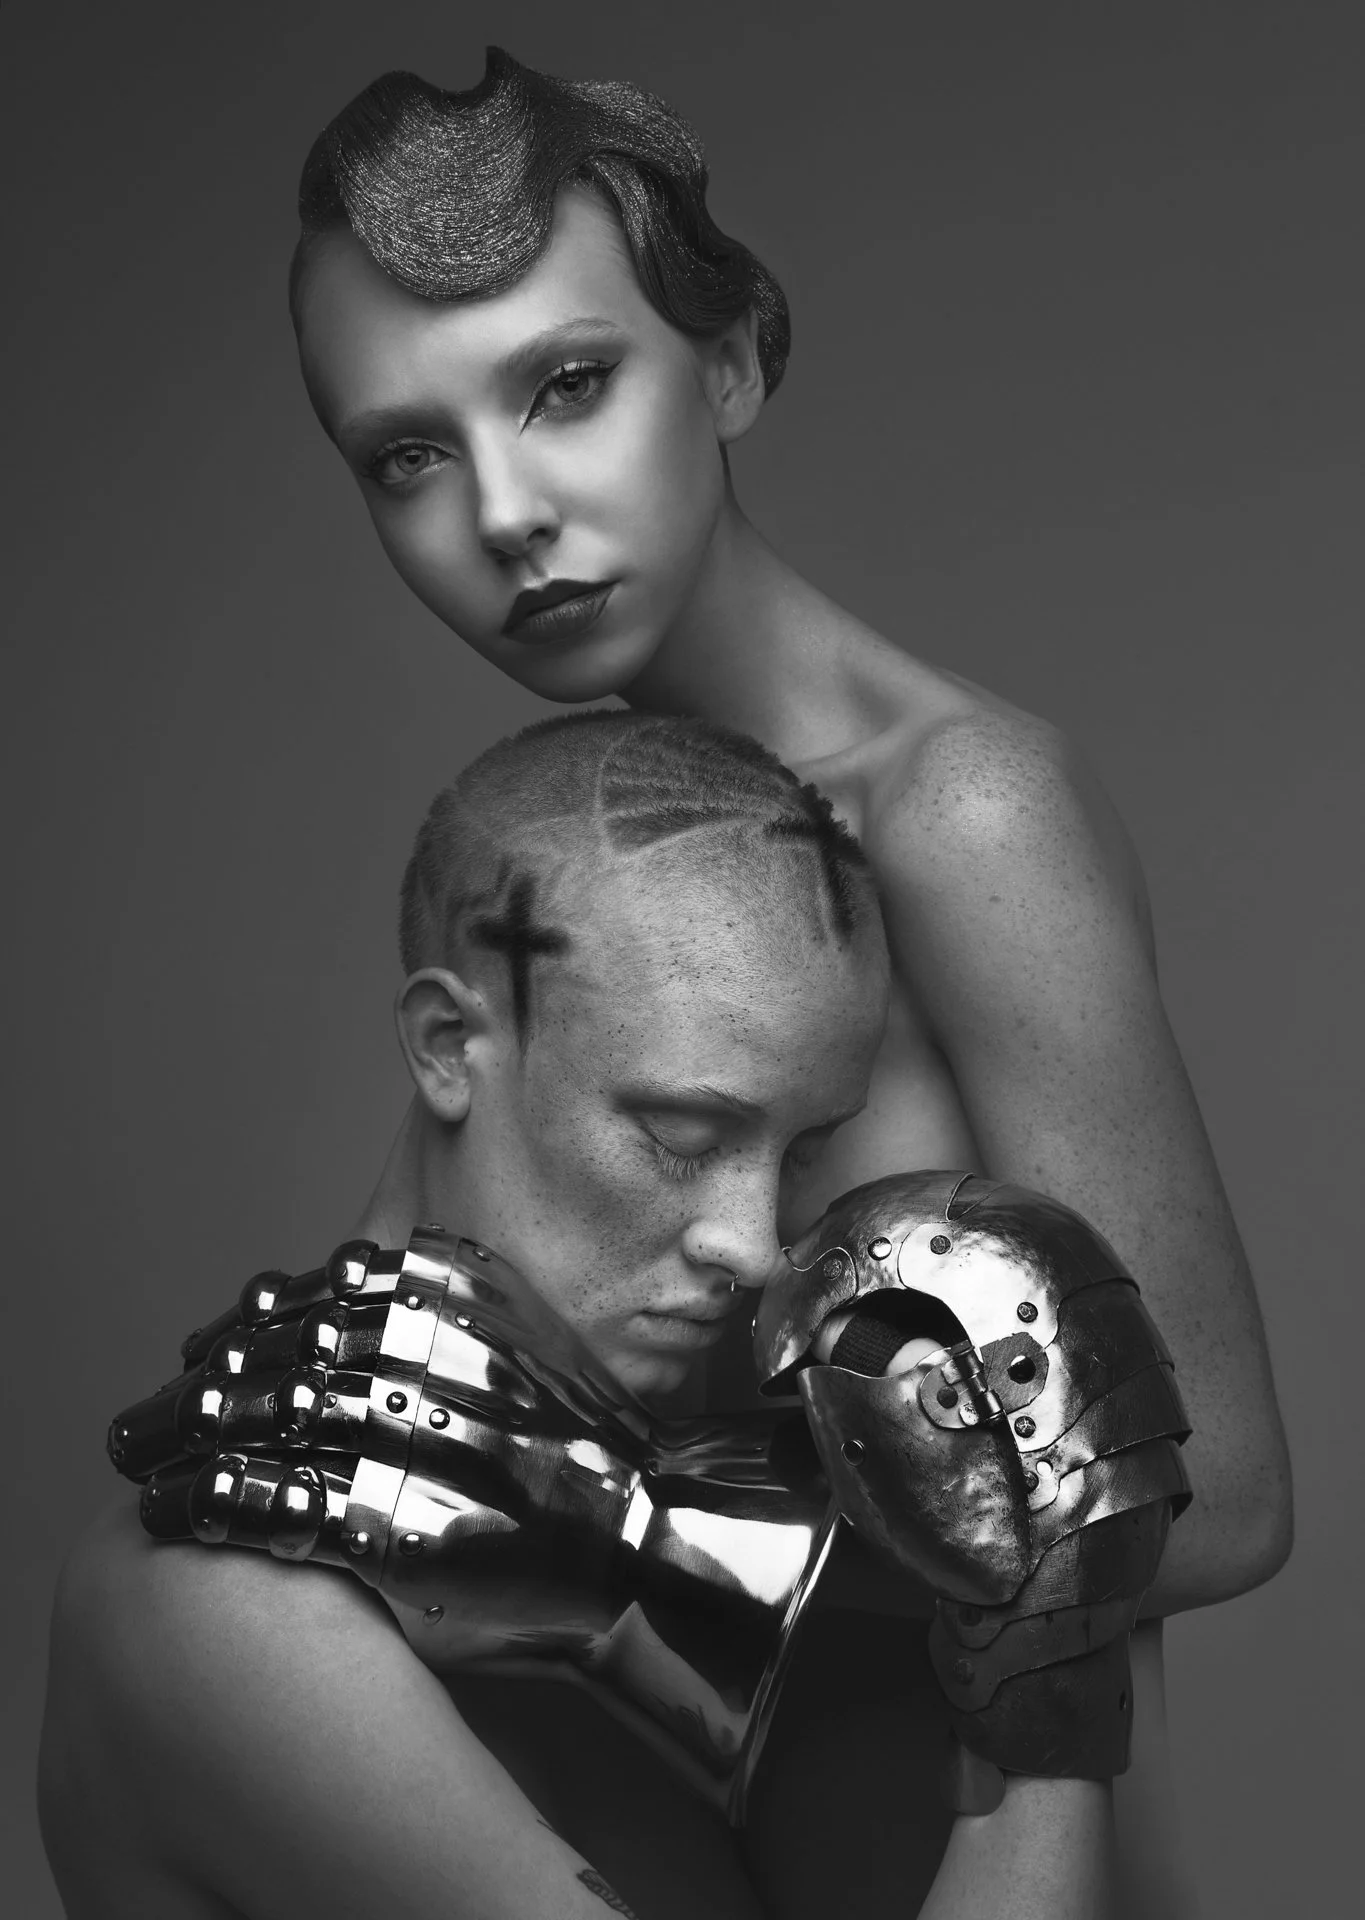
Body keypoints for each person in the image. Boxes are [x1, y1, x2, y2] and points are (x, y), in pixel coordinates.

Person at [289, 53, 1289, 1607]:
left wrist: (609, 1540)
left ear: (736, 363)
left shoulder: (961, 809)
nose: (501, 513)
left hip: (972, 1820)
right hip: (655, 1821)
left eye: (566, 385)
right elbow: (380, 1378)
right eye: (407, 456)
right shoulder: (596, 854)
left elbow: (1217, 1500)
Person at [44, 710, 1135, 1920]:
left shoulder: (705, 1561)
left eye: (806, 1150)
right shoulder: (225, 1619)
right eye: (682, 1134)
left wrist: (1046, 1621)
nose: (757, 1242)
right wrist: (1053, 1689)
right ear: (450, 1043)